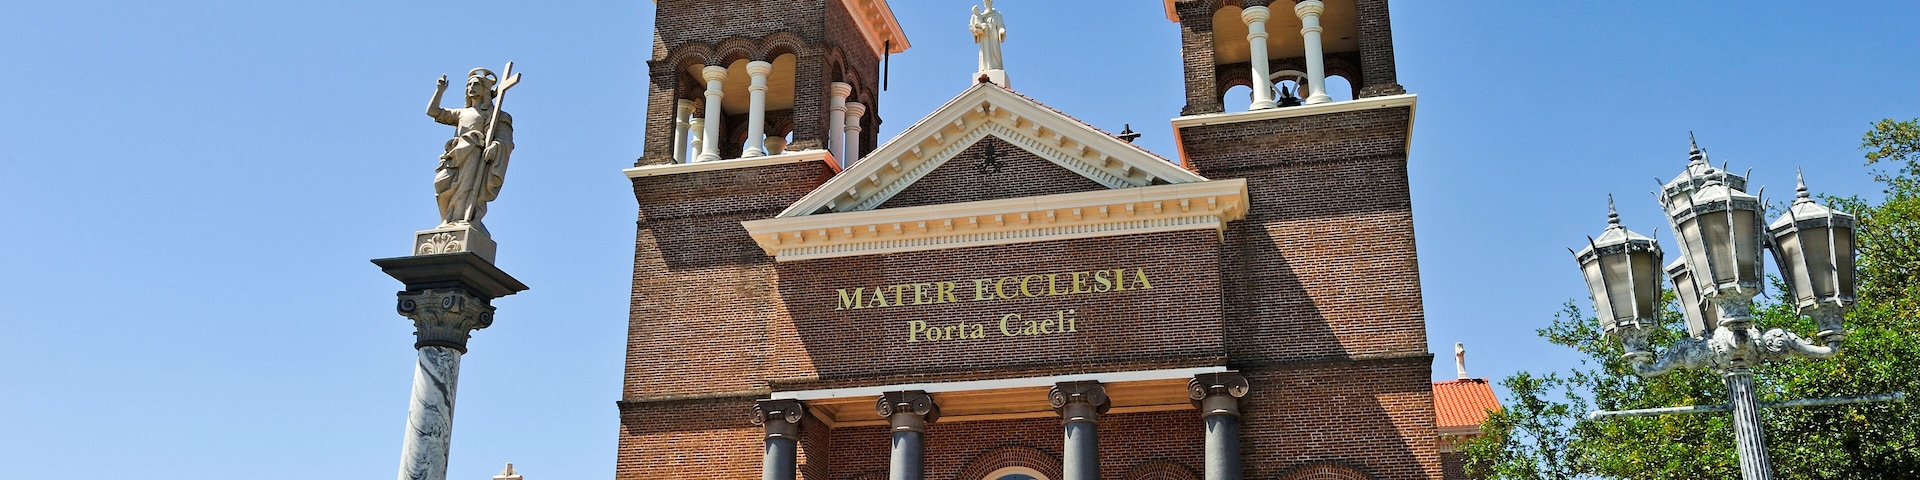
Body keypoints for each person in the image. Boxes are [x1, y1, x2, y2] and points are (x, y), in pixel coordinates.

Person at [425, 68, 514, 230]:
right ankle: (446, 219)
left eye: (475, 84)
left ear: (485, 89)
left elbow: (505, 139)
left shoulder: (497, 115)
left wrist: (495, 146)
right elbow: (433, 111)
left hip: (475, 155)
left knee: (465, 188)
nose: (471, 88)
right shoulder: (462, 113)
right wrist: (440, 90)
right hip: (455, 155)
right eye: (469, 85)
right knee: (441, 183)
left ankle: (461, 218)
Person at [969, 0, 1006, 72]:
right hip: (984, 38)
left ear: (991, 2)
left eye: (988, 2)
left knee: (995, 53)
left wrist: (1002, 31)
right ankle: (985, 67)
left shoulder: (997, 15)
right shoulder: (981, 16)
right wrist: (975, 30)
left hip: (993, 37)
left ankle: (995, 66)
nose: (986, 4)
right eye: (985, 2)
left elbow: (1001, 25)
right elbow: (976, 24)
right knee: (985, 53)